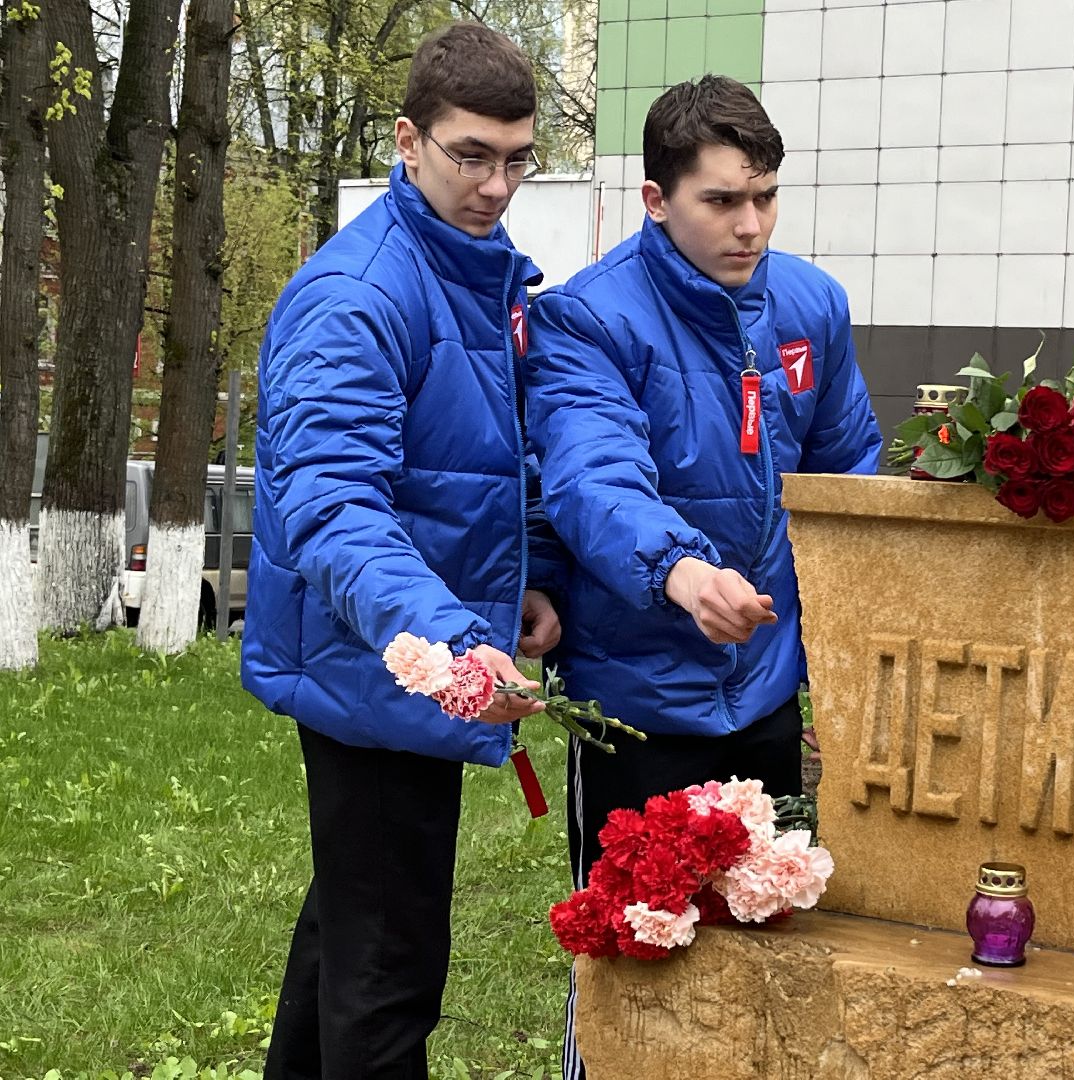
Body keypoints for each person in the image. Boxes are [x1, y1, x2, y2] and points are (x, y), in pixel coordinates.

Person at [522, 75, 882, 1078]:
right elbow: (593, 480)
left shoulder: (811, 304)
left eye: (764, 196)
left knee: (757, 930)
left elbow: (849, 472)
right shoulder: (589, 321)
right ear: (655, 200)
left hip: (764, 685)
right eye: (721, 201)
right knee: (633, 945)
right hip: (640, 691)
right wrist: (680, 570)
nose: (750, 224)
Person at [240, 21, 565, 1078]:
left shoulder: (469, 273)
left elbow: (478, 464)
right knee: (389, 977)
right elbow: (334, 508)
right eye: (472, 154)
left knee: (348, 941)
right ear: (407, 139)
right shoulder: (360, 296)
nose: (497, 185)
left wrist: (525, 583)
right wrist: (452, 647)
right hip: (381, 666)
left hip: (410, 659)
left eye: (518, 158)